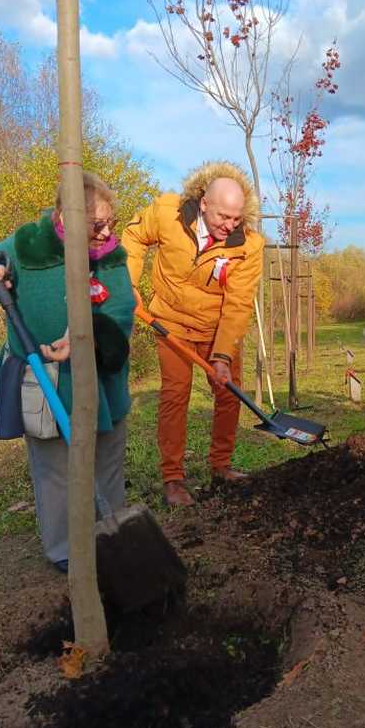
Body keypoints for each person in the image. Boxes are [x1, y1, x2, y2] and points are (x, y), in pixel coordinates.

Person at [0, 172, 135, 571]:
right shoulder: (25, 246)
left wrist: (88, 341)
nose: (107, 232)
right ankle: (64, 551)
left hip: (101, 382)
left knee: (106, 461)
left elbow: (121, 309)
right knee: (55, 470)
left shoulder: (110, 255)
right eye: (97, 224)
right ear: (65, 215)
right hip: (43, 382)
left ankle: (111, 541)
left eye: (111, 222)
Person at [122, 161, 265, 507]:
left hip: (217, 327)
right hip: (170, 323)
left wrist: (222, 356)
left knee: (229, 393)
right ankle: (173, 479)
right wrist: (128, 283)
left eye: (236, 218)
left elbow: (239, 303)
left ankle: (221, 465)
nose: (229, 225)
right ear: (203, 203)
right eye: (222, 217)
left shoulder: (249, 246)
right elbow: (133, 236)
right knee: (176, 394)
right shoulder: (168, 212)